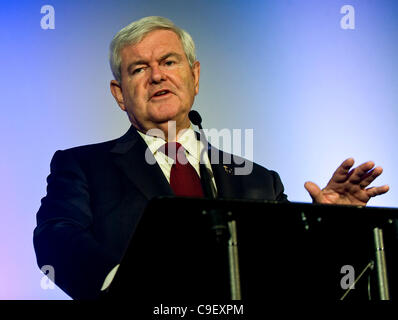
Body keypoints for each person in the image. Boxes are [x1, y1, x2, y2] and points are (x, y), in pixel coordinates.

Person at [33, 16, 389, 300]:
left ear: (195, 75)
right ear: (119, 94)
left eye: (169, 61)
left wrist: (334, 226)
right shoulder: (83, 166)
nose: (157, 75)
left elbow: (298, 274)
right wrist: (122, 286)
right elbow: (55, 237)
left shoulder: (259, 180)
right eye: (138, 69)